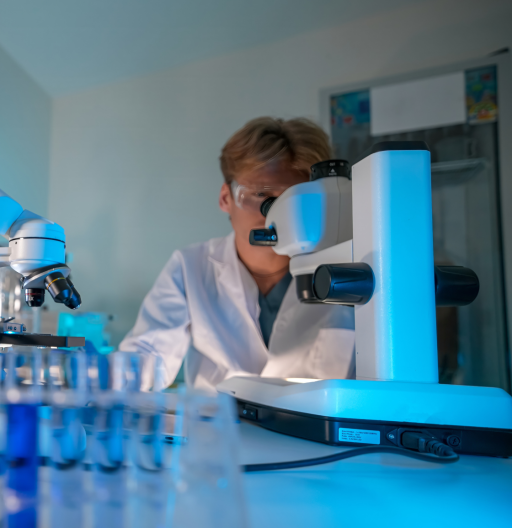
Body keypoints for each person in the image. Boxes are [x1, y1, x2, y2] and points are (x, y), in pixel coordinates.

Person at [119, 117, 354, 390]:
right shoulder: (190, 267)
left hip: (312, 431)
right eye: (260, 195)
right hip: (217, 429)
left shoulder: (350, 268)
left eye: (293, 198)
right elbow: (149, 355)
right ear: (225, 199)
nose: (276, 213)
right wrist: (96, 378)